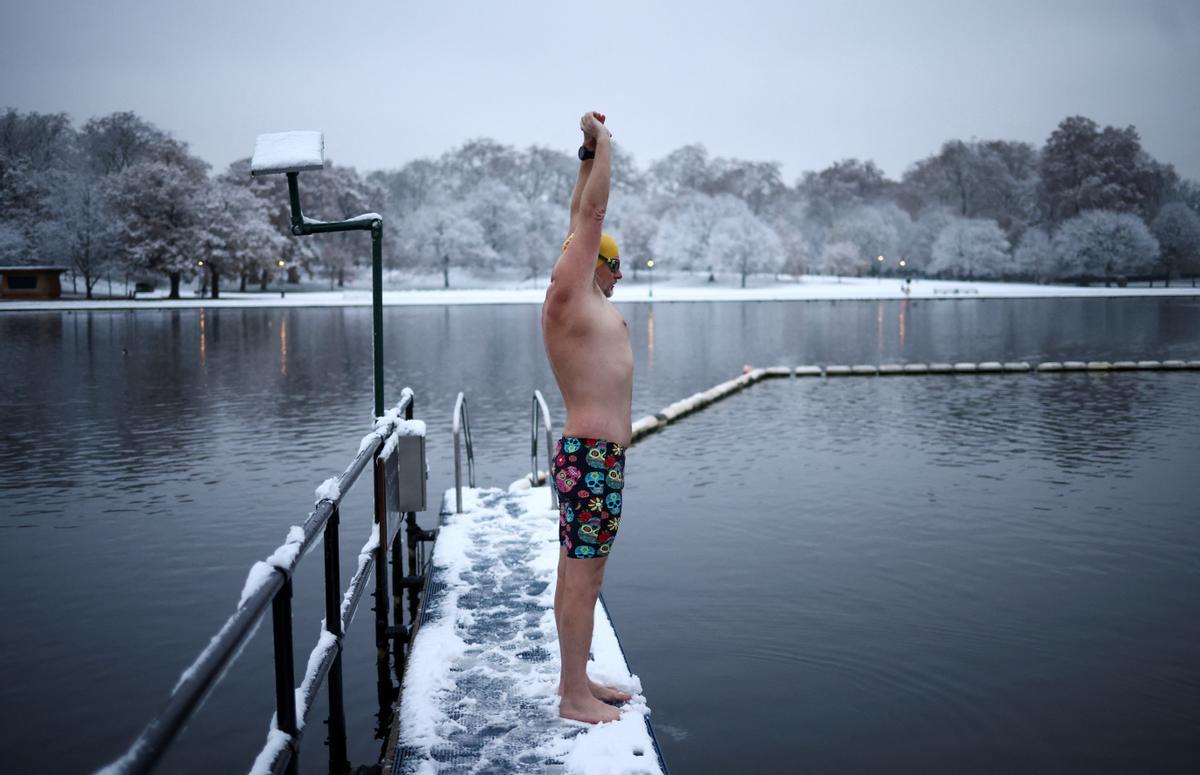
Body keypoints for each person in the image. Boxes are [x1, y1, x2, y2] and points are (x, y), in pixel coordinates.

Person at [541, 111, 633, 724]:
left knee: (578, 571)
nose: (621, 272)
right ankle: (574, 696)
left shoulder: (589, 300)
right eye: (614, 262)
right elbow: (589, 217)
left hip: (598, 459)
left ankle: (576, 680)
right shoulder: (569, 296)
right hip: (593, 457)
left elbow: (582, 216)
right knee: (585, 576)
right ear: (586, 261)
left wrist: (582, 155)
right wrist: (605, 147)